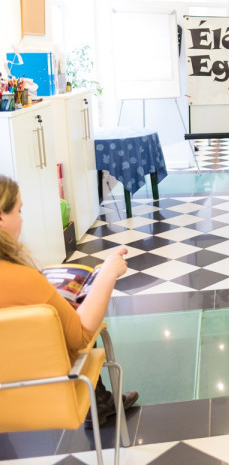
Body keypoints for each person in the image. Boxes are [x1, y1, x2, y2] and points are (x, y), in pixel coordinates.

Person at [0, 175, 139, 428]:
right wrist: (108, 274)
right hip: (44, 391)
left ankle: (100, 402)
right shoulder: (24, 280)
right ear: (1, 218)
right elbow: (80, 335)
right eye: (19, 211)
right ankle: (98, 403)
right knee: (84, 319)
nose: (21, 219)